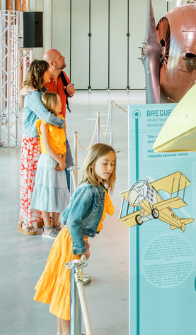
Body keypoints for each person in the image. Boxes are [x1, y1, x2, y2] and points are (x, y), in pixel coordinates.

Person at [34, 143, 116, 335]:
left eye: (112, 164)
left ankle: (65, 332)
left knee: (67, 291)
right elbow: (71, 221)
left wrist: (83, 242)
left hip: (73, 241)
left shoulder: (97, 189)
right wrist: (80, 248)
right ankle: (66, 332)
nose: (110, 168)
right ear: (92, 164)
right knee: (67, 292)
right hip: (69, 243)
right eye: (105, 163)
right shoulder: (89, 190)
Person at [19, 60, 65, 236]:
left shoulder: (39, 92)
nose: (50, 74)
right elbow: (45, 115)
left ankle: (36, 219)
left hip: (37, 140)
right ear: (40, 73)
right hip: (32, 141)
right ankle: (24, 221)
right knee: (30, 182)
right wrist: (60, 122)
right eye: (47, 71)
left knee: (38, 180)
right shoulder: (33, 94)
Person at [30, 92, 71, 238]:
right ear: (51, 104)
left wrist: (63, 158)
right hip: (48, 160)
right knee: (46, 193)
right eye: (58, 102)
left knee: (60, 190)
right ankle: (47, 227)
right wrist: (60, 161)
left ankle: (55, 223)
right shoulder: (43, 123)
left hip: (60, 159)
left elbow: (64, 142)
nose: (61, 104)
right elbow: (47, 146)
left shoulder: (61, 120)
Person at [43, 49, 76, 188]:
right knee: (50, 170)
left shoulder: (63, 75)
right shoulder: (42, 80)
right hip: (47, 133)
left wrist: (70, 92)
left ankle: (68, 201)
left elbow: (67, 93)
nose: (63, 57)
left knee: (69, 167)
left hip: (62, 131)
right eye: (60, 57)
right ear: (53, 63)